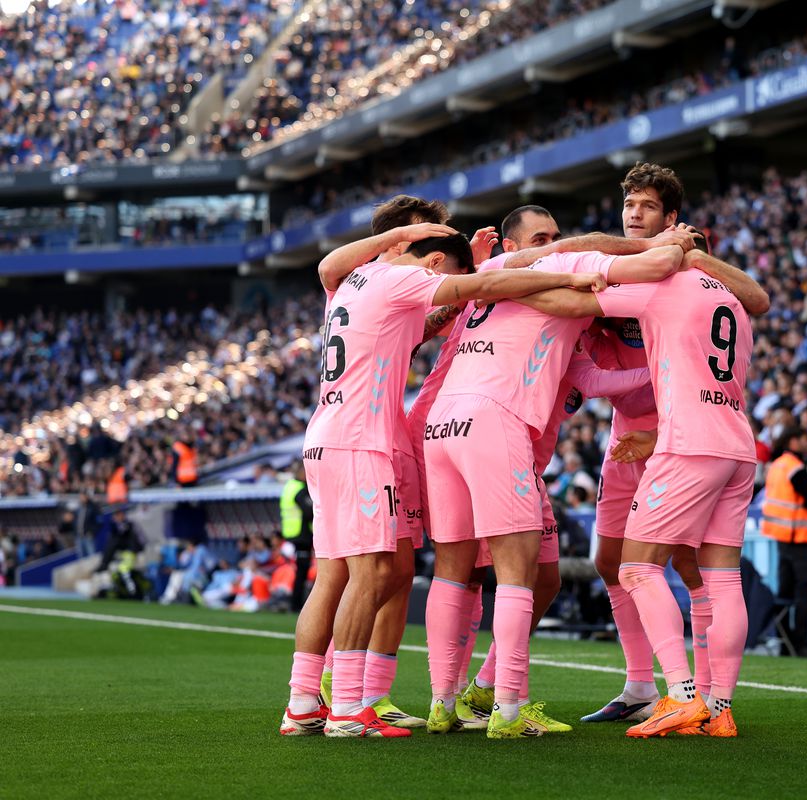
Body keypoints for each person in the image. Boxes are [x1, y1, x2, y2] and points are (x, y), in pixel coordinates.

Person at [280, 214, 609, 740]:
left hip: (327, 437)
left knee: (347, 574)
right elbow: (481, 286)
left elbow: (354, 278)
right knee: (378, 572)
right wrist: (561, 272)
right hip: (367, 441)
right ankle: (351, 705)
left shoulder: (352, 285)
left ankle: (305, 700)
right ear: (430, 260)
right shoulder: (402, 278)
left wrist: (434, 258)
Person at [519, 186, 769, 739]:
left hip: (683, 443)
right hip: (734, 442)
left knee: (639, 567)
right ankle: (717, 707)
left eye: (651, 211)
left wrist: (510, 284)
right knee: (723, 578)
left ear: (674, 237)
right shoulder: (730, 301)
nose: (636, 216)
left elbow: (570, 304)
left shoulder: (659, 287)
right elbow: (756, 299)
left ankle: (678, 694)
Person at [422, 234, 694, 739]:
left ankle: (444, 702)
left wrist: (651, 370)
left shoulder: (496, 272)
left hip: (443, 424)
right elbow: (650, 267)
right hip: (495, 421)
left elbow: (590, 381)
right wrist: (672, 245)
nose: (549, 243)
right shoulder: (573, 261)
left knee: (452, 571)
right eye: (542, 236)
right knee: (516, 572)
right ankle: (507, 710)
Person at [758, 428, 807, 659]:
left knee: (785, 592)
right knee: (805, 590)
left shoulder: (777, 465)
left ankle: (785, 643)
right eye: (805, 438)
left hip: (781, 537)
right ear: (793, 440)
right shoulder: (795, 467)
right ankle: (801, 643)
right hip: (799, 537)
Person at [279, 461, 315, 612]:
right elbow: (309, 511)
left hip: (290, 535)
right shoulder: (300, 489)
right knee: (301, 572)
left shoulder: (289, 487)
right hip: (301, 536)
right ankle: (296, 605)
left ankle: (295, 603)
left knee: (298, 572)